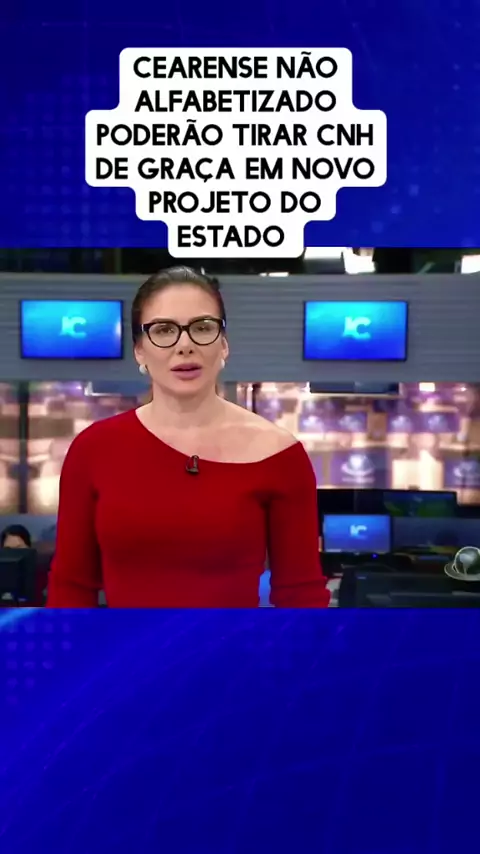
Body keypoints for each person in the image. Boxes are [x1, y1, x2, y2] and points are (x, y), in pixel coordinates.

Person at [47, 266, 329, 608]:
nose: (185, 345)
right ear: (139, 350)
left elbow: (301, 594)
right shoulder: (93, 450)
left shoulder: (280, 455)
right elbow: (71, 588)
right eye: (164, 330)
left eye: (202, 327)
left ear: (223, 344)